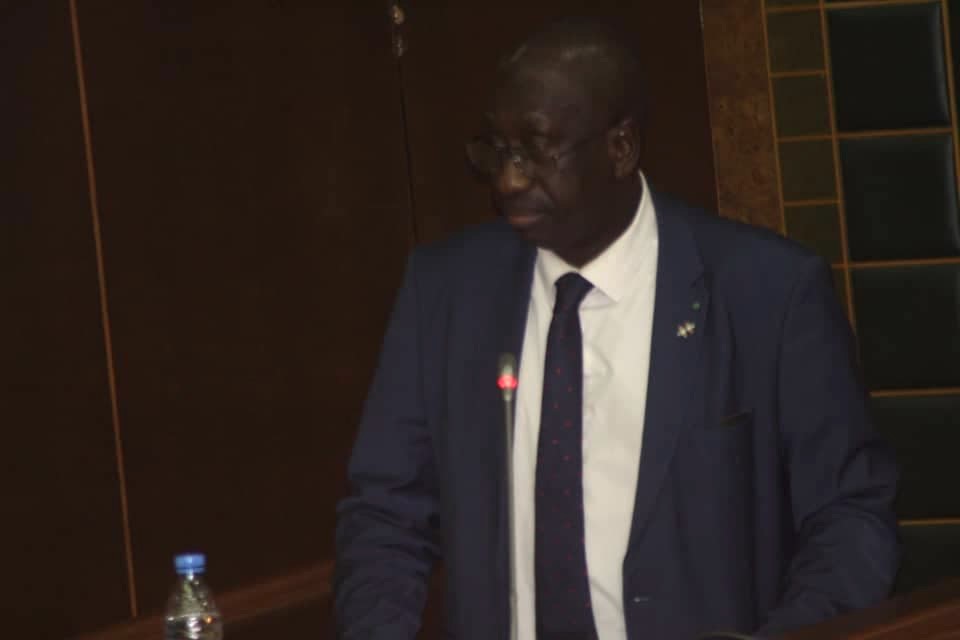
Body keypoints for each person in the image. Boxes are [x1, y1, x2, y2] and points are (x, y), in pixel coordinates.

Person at [333, 17, 899, 640]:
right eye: (496, 151)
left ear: (620, 148)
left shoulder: (768, 292)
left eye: (536, 151)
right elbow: (385, 515)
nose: (508, 180)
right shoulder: (446, 291)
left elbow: (850, 517)